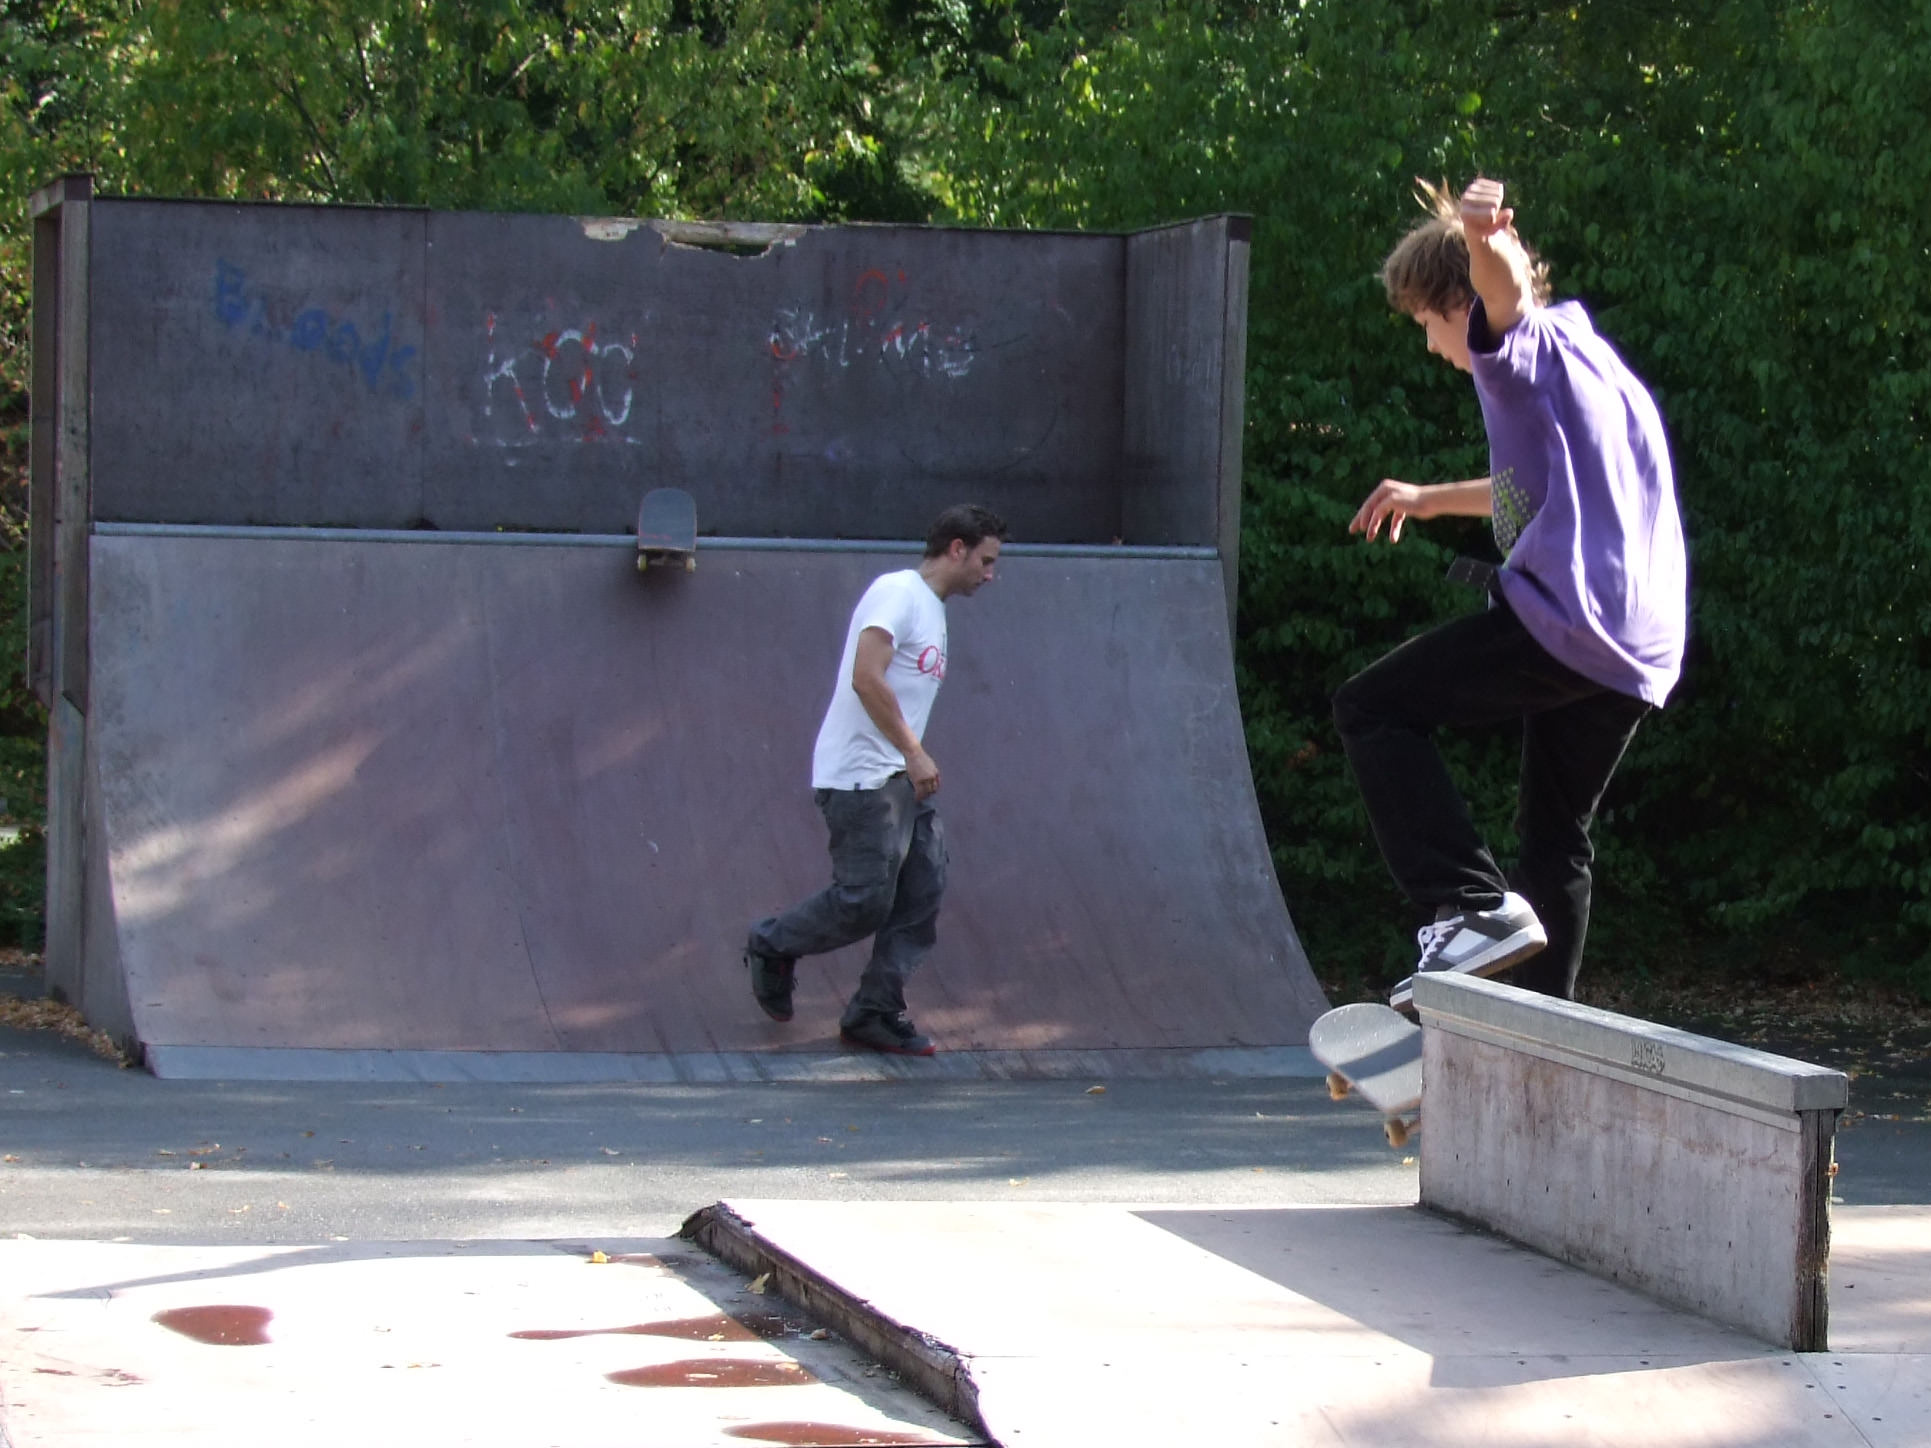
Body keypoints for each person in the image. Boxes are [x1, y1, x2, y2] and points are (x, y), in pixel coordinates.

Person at [1333, 177, 1687, 1012]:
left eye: (1425, 324)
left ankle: (1466, 905)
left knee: (1370, 708)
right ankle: (1542, 1029)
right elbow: (1537, 490)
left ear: (1452, 305)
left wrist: (1481, 236)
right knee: (1555, 836)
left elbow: (1503, 294)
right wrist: (1429, 498)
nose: (1431, 347)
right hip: (1638, 645)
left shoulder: (1509, 347)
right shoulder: (1585, 355)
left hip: (1568, 620)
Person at [743, 503, 1009, 1055]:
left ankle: (874, 1010)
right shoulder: (899, 592)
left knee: (922, 893)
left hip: (900, 782)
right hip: (862, 780)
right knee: (864, 900)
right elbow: (866, 677)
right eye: (986, 561)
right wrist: (914, 752)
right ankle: (771, 944)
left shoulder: (933, 610)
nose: (991, 575)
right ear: (956, 548)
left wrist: (910, 762)